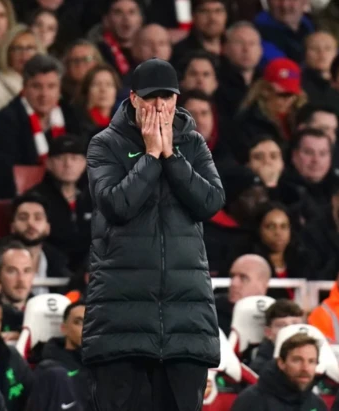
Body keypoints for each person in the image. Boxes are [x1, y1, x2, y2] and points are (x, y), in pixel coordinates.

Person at [83, 57, 225, 411]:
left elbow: (211, 201)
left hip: (185, 323)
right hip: (121, 321)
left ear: (177, 99)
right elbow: (116, 205)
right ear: (133, 99)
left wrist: (172, 157)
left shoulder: (192, 143)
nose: (159, 106)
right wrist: (149, 156)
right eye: (150, 98)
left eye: (167, 97)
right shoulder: (105, 145)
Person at [231, 333, 328, 411]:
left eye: (311, 361)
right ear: (281, 363)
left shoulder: (317, 404)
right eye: (297, 360)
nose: (305, 368)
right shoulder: (252, 400)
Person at [248, 299, 304, 374]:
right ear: (268, 332)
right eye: (282, 326)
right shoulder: (260, 368)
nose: (290, 331)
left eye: (295, 324)